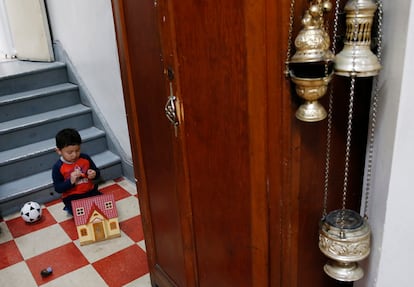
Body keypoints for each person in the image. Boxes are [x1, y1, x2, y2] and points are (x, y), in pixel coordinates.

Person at [52, 128, 102, 215]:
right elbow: (58, 188)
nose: (74, 155)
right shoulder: (57, 167)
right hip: (72, 197)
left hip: (90, 191)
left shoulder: (85, 158)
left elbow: (97, 172)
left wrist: (94, 174)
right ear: (59, 151)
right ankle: (69, 208)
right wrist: (70, 181)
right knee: (81, 214)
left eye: (77, 150)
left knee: (103, 205)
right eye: (70, 152)